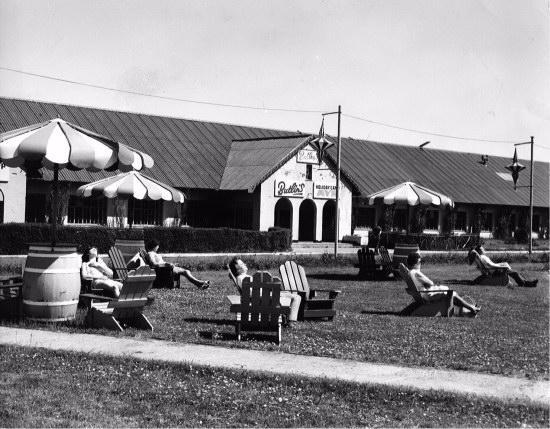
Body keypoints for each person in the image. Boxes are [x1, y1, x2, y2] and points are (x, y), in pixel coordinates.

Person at [228, 257, 302, 327]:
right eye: (242, 264)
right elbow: (252, 293)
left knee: (288, 294)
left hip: (264, 297)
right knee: (296, 297)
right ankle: (291, 322)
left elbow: (253, 292)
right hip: (265, 299)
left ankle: (287, 318)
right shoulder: (242, 278)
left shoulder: (243, 277)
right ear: (238, 269)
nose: (245, 265)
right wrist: (269, 292)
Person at [407, 252, 481, 315]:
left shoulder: (410, 272)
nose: (420, 264)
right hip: (428, 295)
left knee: (451, 292)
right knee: (453, 294)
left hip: (424, 295)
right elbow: (431, 283)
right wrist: (427, 284)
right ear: (415, 263)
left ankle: (469, 308)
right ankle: (471, 308)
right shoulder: (416, 272)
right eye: (420, 262)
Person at [145, 239, 210, 289]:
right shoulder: (150, 253)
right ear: (154, 246)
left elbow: (159, 263)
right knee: (186, 271)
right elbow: (154, 264)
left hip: (165, 268)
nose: (158, 248)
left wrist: (169, 264)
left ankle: (199, 283)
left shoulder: (153, 253)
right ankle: (199, 283)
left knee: (186, 271)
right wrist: (166, 264)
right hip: (163, 270)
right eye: (157, 246)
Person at [472, 245, 538, 288]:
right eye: (482, 249)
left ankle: (527, 283)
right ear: (480, 250)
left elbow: (489, 266)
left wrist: (501, 264)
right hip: (495, 271)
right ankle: (526, 284)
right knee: (515, 273)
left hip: (494, 270)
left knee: (514, 272)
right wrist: (501, 266)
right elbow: (490, 265)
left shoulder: (482, 257)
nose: (484, 250)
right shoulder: (483, 257)